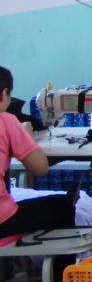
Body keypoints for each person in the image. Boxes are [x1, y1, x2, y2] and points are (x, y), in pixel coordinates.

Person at [0, 65, 72, 240]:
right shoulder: (6, 121)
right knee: (62, 206)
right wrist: (25, 135)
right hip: (3, 222)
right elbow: (40, 169)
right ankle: (61, 262)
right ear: (4, 94)